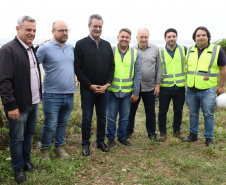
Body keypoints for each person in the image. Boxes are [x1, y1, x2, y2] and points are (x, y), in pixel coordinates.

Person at [0, 16, 41, 184]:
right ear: (18, 29)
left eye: (34, 30)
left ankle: (26, 163)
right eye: (28, 30)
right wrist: (11, 105)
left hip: (34, 102)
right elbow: (4, 80)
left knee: (29, 135)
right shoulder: (8, 50)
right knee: (17, 138)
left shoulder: (30, 49)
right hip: (18, 106)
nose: (31, 33)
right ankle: (18, 169)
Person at [74, 14, 115, 156]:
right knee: (87, 117)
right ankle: (85, 143)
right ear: (89, 26)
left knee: (102, 117)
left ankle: (100, 142)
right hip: (87, 89)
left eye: (100, 26)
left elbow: (111, 66)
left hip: (104, 89)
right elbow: (77, 68)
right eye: (95, 26)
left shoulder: (106, 45)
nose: (97, 29)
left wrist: (108, 84)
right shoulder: (80, 44)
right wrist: (90, 85)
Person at [36, 20, 76, 160]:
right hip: (52, 95)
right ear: (53, 31)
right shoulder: (45, 48)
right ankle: (45, 149)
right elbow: (32, 64)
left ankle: (59, 146)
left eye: (66, 30)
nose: (64, 33)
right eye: (61, 30)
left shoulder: (71, 47)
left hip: (70, 93)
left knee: (63, 123)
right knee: (50, 124)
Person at [182, 26, 226, 148]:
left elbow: (223, 68)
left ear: (208, 37)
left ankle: (208, 138)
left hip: (208, 90)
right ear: (194, 38)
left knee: (208, 114)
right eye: (198, 35)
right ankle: (193, 135)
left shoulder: (217, 50)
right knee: (193, 113)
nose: (201, 37)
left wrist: (221, 86)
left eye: (203, 35)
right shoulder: (190, 50)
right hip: (191, 89)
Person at [106, 28, 142, 147]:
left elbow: (138, 74)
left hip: (127, 92)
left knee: (125, 117)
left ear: (130, 39)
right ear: (118, 37)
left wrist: (136, 91)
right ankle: (111, 138)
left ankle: (122, 137)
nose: (124, 39)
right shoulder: (111, 51)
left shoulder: (135, 53)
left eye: (127, 37)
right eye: (122, 37)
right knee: (111, 117)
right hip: (112, 91)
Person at [126, 28, 162, 141]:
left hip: (150, 87)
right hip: (135, 88)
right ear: (136, 38)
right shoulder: (131, 50)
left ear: (148, 38)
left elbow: (159, 68)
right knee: (131, 112)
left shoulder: (155, 49)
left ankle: (152, 134)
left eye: (146, 37)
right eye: (141, 37)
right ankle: (128, 131)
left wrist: (157, 85)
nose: (144, 39)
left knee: (150, 112)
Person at [158, 28, 187, 142]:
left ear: (176, 37)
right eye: (169, 37)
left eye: (173, 36)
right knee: (162, 111)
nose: (171, 38)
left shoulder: (184, 50)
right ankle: (162, 132)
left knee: (178, 110)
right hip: (165, 87)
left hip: (179, 87)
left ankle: (177, 131)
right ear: (165, 38)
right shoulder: (160, 52)